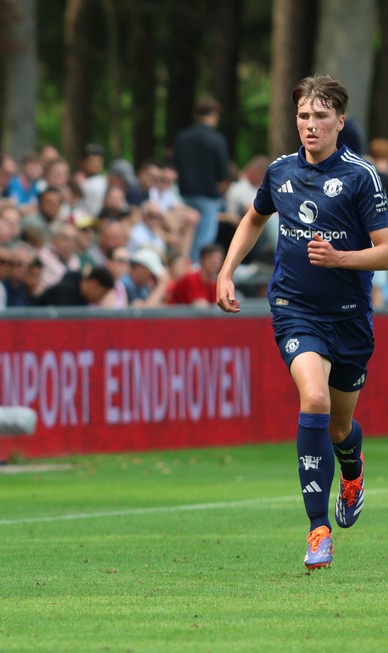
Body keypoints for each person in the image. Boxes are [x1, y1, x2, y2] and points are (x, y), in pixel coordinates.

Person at [216, 74, 385, 569]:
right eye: (303, 116)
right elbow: (253, 218)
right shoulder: (280, 171)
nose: (310, 126)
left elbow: (386, 249)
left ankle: (352, 473)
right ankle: (317, 531)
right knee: (311, 396)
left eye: (320, 117)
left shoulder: (361, 176)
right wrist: (226, 272)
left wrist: (341, 260)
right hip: (294, 308)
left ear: (340, 122)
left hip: (350, 317)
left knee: (339, 427)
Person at [173, 98, 229, 262]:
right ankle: (196, 273)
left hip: (183, 195)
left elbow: (175, 165)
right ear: (214, 115)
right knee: (204, 239)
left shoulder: (182, 137)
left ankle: (181, 268)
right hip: (207, 196)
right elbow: (222, 173)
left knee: (183, 235)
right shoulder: (217, 139)